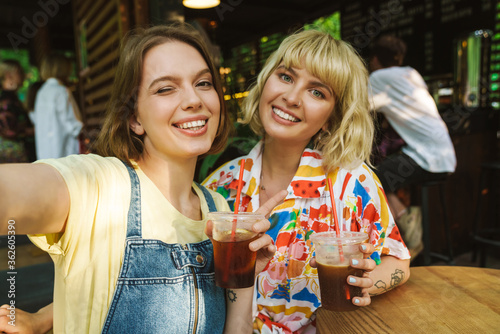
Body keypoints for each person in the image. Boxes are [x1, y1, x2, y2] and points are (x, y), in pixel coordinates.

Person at [0, 24, 285, 334]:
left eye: (203, 83)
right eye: (165, 88)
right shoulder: (98, 186)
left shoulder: (216, 205)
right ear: (135, 118)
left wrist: (243, 277)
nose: (194, 100)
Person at [202, 29, 411, 333]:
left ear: (330, 118)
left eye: (317, 92)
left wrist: (368, 283)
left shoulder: (351, 185)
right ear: (266, 83)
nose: (291, 97)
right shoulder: (220, 184)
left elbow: (399, 261)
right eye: (286, 77)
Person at [368, 35, 456, 257]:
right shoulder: (412, 73)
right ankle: (407, 223)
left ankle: (410, 229)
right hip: (445, 155)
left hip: (426, 156)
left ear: (375, 59)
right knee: (389, 173)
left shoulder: (378, 77)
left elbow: (360, 109)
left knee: (374, 178)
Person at [32, 54, 83, 159]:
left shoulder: (41, 92)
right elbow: (70, 122)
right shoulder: (61, 90)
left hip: (44, 151)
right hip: (63, 149)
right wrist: (80, 131)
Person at [0, 59, 35, 163]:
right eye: (19, 72)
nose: (23, 75)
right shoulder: (6, 100)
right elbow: (8, 129)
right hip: (11, 153)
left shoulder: (11, 98)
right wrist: (30, 131)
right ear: (8, 75)